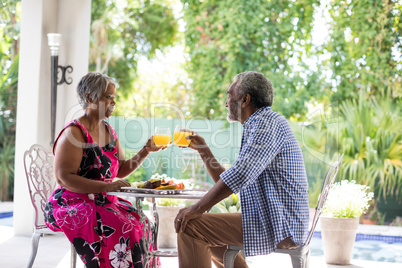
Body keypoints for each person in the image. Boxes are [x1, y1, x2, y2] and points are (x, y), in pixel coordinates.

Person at [174, 71, 310, 267]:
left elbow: (239, 175)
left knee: (190, 225)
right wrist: (203, 149)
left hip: (281, 224)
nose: (226, 102)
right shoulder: (261, 123)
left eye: (229, 95)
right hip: (276, 218)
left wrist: (197, 208)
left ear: (245, 99)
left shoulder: (265, 124)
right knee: (199, 227)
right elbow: (231, 178)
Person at [44, 72, 163, 268]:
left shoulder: (109, 131)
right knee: (122, 227)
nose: (113, 102)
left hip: (103, 200)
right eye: (108, 97)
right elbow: (64, 178)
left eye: (113, 97)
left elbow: (121, 170)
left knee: (144, 224)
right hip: (71, 202)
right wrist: (106, 187)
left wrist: (145, 150)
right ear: (91, 97)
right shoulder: (74, 132)